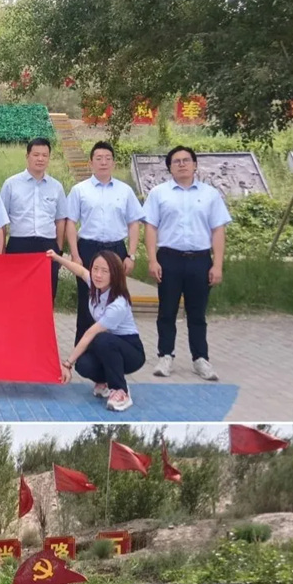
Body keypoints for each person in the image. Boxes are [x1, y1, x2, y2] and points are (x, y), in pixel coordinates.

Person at [143, 146, 232, 382]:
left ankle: (200, 358)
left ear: (195, 165)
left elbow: (218, 230)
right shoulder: (159, 194)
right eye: (176, 161)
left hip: (200, 260)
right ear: (169, 167)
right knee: (167, 311)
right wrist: (152, 260)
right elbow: (150, 227)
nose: (182, 164)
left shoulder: (210, 195)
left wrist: (217, 265)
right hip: (169, 259)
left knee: (197, 313)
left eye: (186, 160)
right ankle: (165, 355)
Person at [65, 142, 144, 343]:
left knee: (115, 300)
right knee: (86, 301)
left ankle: (113, 347)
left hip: (116, 249)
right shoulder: (79, 190)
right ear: (91, 162)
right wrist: (75, 255)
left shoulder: (125, 191)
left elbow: (134, 223)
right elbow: (70, 223)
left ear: (114, 163)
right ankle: (82, 351)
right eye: (99, 158)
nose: (103, 162)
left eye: (108, 158)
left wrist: (131, 254)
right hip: (88, 249)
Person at [48, 249, 145, 412]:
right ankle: (104, 381)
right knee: (83, 364)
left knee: (100, 339)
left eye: (105, 271)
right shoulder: (96, 286)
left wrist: (66, 364)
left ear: (114, 274)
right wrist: (57, 258)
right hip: (108, 346)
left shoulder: (118, 304)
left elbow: (90, 334)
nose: (98, 275)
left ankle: (121, 390)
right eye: (95, 269)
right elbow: (80, 271)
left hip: (131, 351)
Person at [0, 137, 67, 301]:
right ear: (27, 156)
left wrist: (58, 248)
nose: (40, 159)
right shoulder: (11, 184)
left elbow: (60, 220)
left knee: (46, 295)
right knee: (16, 295)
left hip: (47, 247)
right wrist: (1, 250)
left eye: (45, 155)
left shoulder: (56, 187)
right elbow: (1, 221)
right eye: (36, 155)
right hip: (19, 244)